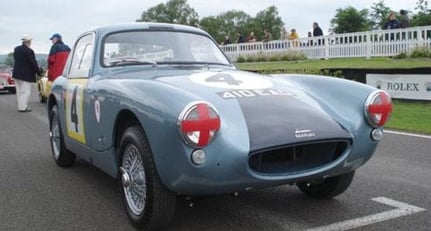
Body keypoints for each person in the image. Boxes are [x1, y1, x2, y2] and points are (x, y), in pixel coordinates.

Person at [12, 35, 42, 112]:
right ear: (28, 42)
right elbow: (33, 63)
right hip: (26, 74)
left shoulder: (16, 49)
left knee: (19, 91)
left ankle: (20, 106)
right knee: (25, 92)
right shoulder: (29, 51)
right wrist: (38, 72)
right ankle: (23, 107)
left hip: (16, 73)